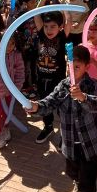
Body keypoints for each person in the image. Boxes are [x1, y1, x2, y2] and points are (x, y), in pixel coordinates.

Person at [25, 45, 97, 192]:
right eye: (68, 64)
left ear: (86, 67)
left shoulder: (92, 85)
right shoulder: (62, 86)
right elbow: (49, 103)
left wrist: (83, 97)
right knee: (72, 171)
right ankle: (78, 182)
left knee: (88, 177)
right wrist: (35, 107)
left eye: (76, 66)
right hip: (69, 142)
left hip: (90, 143)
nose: (71, 69)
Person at [32, 11, 71, 144]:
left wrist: (64, 6)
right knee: (44, 105)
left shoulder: (62, 36)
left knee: (61, 107)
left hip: (58, 80)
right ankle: (48, 127)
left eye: (53, 26)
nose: (49, 29)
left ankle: (64, 132)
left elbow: (68, 22)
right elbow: (37, 15)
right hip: (42, 79)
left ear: (60, 27)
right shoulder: (42, 35)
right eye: (46, 26)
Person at [0, 32, 25, 148]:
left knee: (7, 111)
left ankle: (5, 128)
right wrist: (3, 91)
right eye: (6, 43)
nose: (9, 46)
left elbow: (20, 71)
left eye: (12, 43)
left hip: (9, 90)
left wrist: (16, 87)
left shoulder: (16, 55)